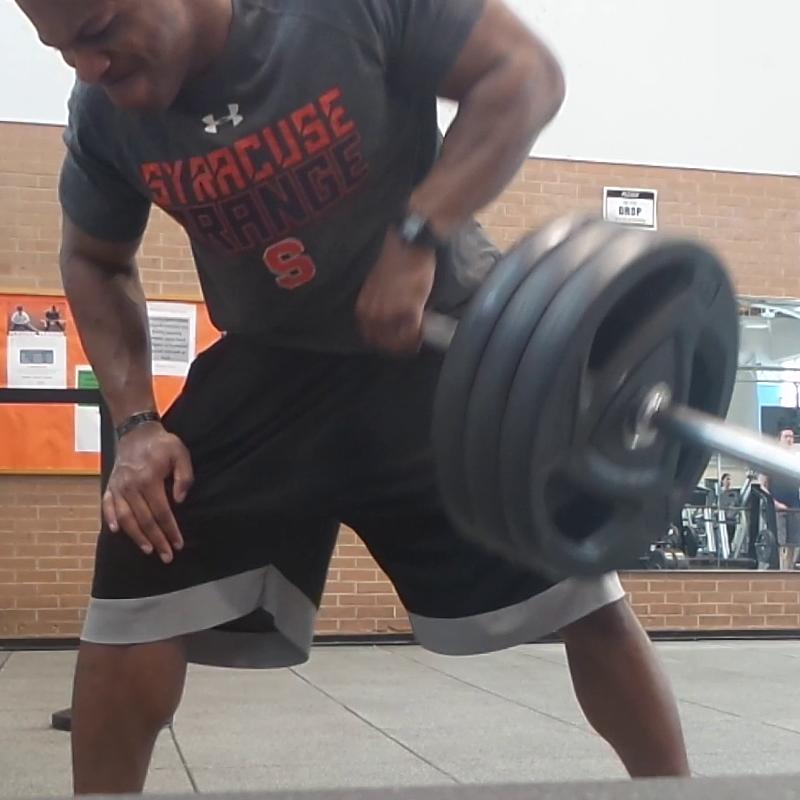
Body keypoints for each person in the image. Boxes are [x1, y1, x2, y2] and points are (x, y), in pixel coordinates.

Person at [16, 0, 691, 793]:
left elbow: (524, 75)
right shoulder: (103, 118)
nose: (88, 70)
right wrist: (135, 425)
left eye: (96, 33)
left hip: (436, 345)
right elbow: (94, 260)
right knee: (138, 559)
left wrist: (417, 238)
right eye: (61, 52)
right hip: (270, 362)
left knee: (584, 594)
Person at [760, 428, 800, 571]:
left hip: (795, 506)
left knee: (794, 542)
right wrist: (775, 503)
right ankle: (781, 570)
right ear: (779, 439)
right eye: (786, 436)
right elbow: (762, 486)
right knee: (780, 541)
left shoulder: (795, 461)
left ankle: (789, 569)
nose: (789, 439)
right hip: (777, 507)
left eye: (792, 436)